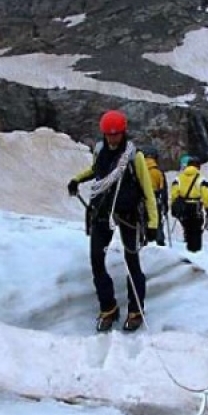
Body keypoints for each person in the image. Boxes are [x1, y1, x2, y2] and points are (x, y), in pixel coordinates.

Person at [67, 110, 159, 333]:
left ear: (123, 132)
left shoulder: (134, 157)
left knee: (132, 261)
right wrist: (77, 179)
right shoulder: (100, 151)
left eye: (116, 134)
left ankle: (136, 310)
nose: (113, 138)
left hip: (129, 216)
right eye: (109, 134)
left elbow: (147, 190)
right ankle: (108, 307)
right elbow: (96, 170)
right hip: (103, 212)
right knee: (97, 259)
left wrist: (153, 223)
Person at [170, 156, 208, 253]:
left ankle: (188, 251)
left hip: (184, 208)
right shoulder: (201, 179)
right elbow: (206, 196)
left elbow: (174, 194)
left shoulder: (178, 178)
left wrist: (175, 206)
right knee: (196, 231)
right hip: (196, 207)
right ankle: (196, 252)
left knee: (187, 229)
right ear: (197, 166)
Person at [142, 146, 168, 246]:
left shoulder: (140, 170)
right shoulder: (158, 171)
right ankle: (159, 239)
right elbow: (163, 189)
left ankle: (143, 239)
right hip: (155, 198)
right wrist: (165, 205)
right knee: (157, 219)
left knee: (143, 219)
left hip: (142, 198)